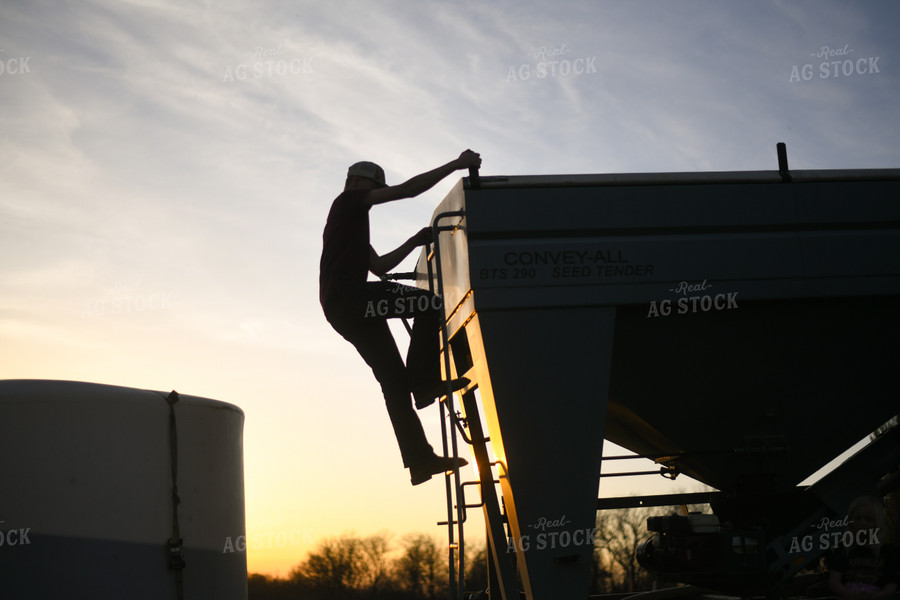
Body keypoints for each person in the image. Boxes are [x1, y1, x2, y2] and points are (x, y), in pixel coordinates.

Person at [319, 151, 481, 485]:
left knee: (393, 381)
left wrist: (413, 240)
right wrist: (455, 164)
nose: (376, 192)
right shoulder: (349, 201)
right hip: (351, 297)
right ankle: (424, 384)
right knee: (429, 304)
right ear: (358, 183)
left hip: (344, 309)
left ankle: (420, 461)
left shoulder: (347, 226)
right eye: (374, 186)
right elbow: (407, 191)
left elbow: (380, 268)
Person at [827, 495, 900, 600]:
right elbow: (834, 581)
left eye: (869, 519)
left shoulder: (887, 552)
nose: (863, 523)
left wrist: (878, 596)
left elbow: (891, 584)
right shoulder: (843, 549)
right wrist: (849, 595)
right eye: (858, 518)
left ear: (878, 522)